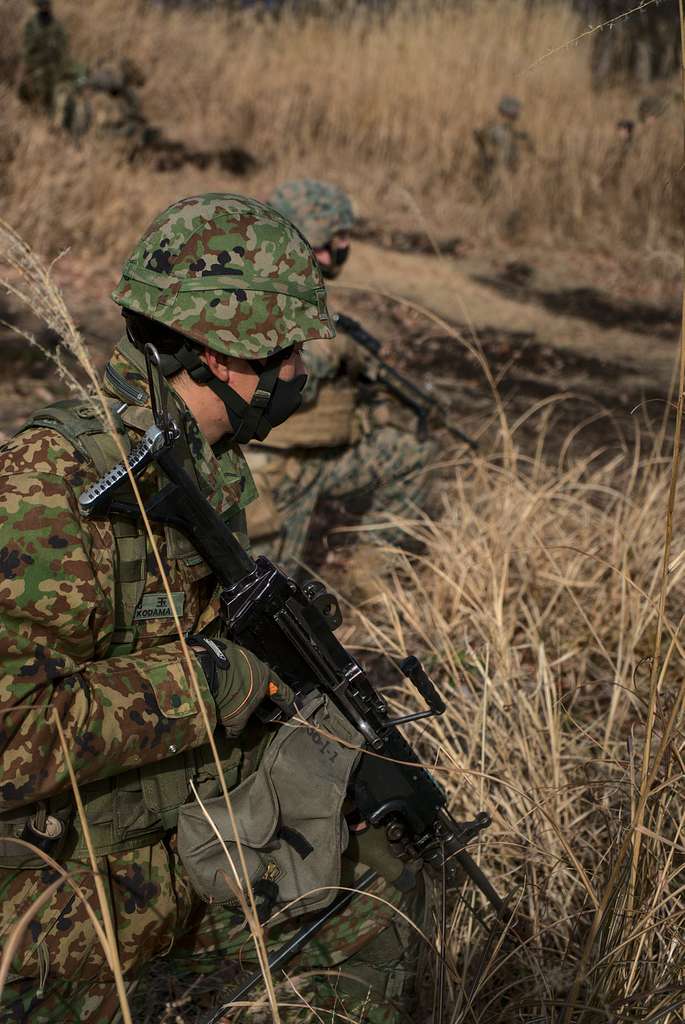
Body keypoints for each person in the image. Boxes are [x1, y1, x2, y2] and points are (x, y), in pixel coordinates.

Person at [0, 194, 427, 1023]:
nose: (300, 374)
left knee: (377, 863)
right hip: (44, 893)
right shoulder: (49, 487)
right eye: (287, 350)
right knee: (362, 904)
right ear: (221, 354)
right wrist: (217, 677)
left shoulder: (188, 457)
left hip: (141, 830)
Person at [244, 178, 442, 576]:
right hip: (266, 467)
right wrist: (333, 351)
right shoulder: (262, 294)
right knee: (259, 594)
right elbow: (281, 384)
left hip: (311, 457)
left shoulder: (301, 290)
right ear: (313, 240)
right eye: (339, 235)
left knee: (410, 455)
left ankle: (367, 573)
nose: (345, 246)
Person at [17, 0, 71, 115]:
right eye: (42, 6)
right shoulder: (31, 25)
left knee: (52, 98)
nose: (45, 8)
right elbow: (27, 48)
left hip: (52, 68)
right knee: (32, 95)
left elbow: (63, 48)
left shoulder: (57, 26)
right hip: (36, 67)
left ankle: (49, 121)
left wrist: (60, 64)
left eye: (46, 5)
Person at [473, 96, 534, 197]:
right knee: (496, 179)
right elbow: (481, 138)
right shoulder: (498, 129)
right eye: (516, 111)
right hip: (500, 165)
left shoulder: (506, 129)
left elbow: (480, 137)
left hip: (505, 165)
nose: (518, 114)